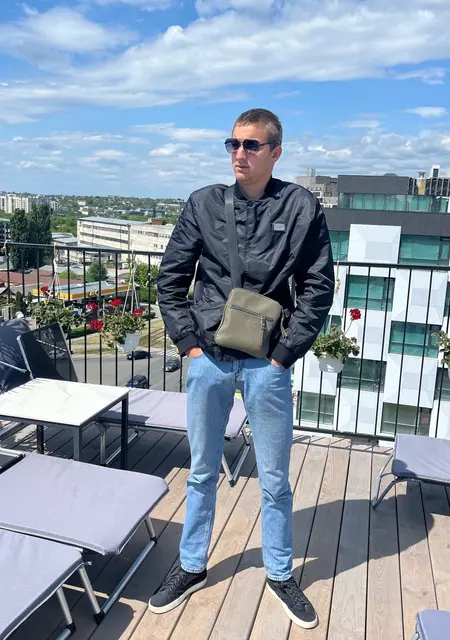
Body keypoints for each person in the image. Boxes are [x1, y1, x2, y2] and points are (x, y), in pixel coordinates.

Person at [150, 108, 334, 629]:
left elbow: (318, 286)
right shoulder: (204, 203)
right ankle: (191, 566)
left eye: (251, 145)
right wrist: (189, 346)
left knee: (274, 478)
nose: (239, 153)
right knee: (202, 471)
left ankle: (280, 573)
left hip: (266, 363)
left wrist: (283, 356)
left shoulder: (300, 207)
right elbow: (171, 279)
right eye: (233, 143)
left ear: (275, 152)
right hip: (208, 357)